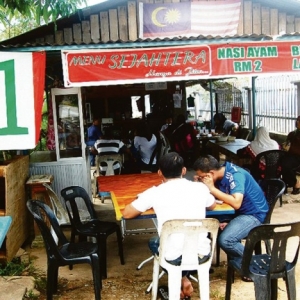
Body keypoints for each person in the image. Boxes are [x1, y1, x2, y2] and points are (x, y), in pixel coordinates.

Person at [123, 152, 216, 299]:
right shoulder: (200, 188)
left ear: (159, 173)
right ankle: (183, 279)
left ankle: (178, 281)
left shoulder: (154, 192)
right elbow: (212, 206)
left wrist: (143, 198)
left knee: (156, 242)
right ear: (184, 171)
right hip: (201, 253)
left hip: (172, 255)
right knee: (178, 244)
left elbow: (127, 214)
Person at [193, 155, 268, 263]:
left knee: (226, 240)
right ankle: (199, 264)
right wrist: (198, 185)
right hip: (236, 213)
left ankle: (253, 264)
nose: (200, 179)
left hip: (253, 214)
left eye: (201, 177)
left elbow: (236, 203)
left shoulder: (236, 175)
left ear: (211, 174)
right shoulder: (219, 175)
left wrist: (212, 188)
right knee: (199, 224)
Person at [281, 115, 300, 194]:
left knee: (286, 164)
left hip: (297, 157)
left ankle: (296, 184)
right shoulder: (292, 134)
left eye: (299, 121)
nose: (298, 122)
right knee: (278, 162)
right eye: (297, 120)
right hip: (289, 155)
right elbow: (287, 144)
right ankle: (284, 184)